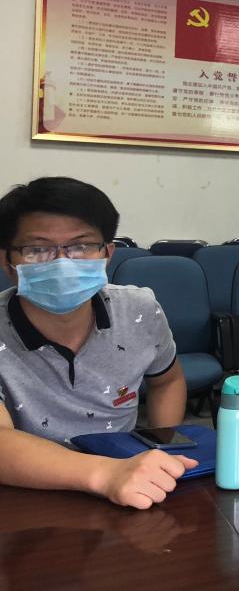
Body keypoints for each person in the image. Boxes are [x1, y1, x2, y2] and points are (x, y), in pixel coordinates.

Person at [0, 177, 193, 509]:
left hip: (130, 488)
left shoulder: (140, 311)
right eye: (37, 249)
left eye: (81, 246)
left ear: (107, 254)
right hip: (28, 493)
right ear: (7, 262)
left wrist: (161, 446)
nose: (62, 263)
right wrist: (106, 474)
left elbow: (168, 381)